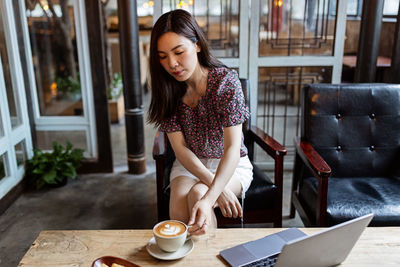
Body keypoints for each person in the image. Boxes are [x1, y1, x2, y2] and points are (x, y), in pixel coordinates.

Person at [148, 9, 253, 236]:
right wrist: (218, 190)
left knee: (199, 195)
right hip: (190, 163)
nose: (172, 63)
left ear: (196, 44)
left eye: (178, 52)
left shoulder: (225, 82)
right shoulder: (168, 90)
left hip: (231, 164)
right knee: (178, 212)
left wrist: (214, 190)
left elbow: (233, 148)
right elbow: (181, 150)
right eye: (163, 56)